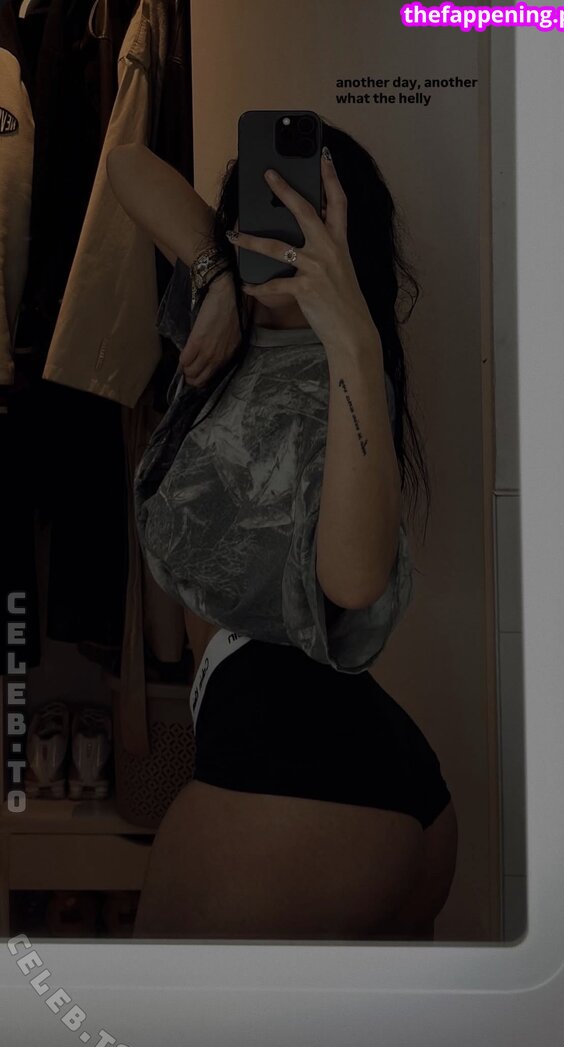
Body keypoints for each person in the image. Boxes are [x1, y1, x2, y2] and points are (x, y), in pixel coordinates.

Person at [106, 120, 458, 941]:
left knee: (158, 1023)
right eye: (260, 215)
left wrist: (350, 334)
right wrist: (213, 276)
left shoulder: (344, 377)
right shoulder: (224, 324)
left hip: (298, 775)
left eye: (308, 221)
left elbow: (353, 583)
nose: (280, 239)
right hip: (332, 764)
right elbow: (125, 165)